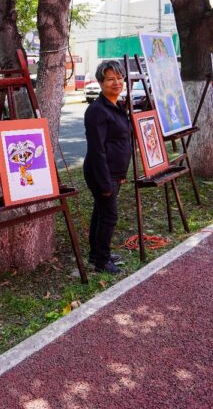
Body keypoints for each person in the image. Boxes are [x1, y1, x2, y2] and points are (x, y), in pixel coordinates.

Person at [83, 60, 133, 274]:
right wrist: (105, 183)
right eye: (111, 79)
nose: (117, 82)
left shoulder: (116, 105)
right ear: (101, 82)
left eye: (119, 78)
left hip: (113, 172)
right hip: (101, 172)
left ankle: (96, 254)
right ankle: (102, 261)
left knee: (101, 212)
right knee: (109, 215)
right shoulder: (97, 111)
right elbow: (98, 151)